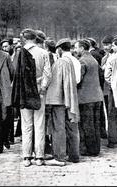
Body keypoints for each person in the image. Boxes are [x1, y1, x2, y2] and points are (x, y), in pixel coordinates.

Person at [18, 28, 51, 167]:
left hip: (24, 91)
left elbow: (16, 74)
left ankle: (26, 156)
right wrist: (43, 87)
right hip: (39, 91)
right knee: (39, 123)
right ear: (35, 38)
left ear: (24, 39)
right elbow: (48, 73)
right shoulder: (43, 53)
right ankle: (39, 156)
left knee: (26, 125)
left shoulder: (19, 53)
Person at [45, 38, 80, 166]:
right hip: (70, 98)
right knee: (72, 127)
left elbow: (54, 82)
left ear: (59, 49)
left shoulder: (60, 62)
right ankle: (74, 155)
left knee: (58, 128)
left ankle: (59, 156)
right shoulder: (71, 61)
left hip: (58, 100)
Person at [74, 39, 104, 156]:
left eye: (76, 48)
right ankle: (95, 148)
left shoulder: (82, 61)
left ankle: (88, 149)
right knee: (95, 124)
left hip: (85, 98)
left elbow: (78, 80)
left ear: (81, 48)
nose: (75, 50)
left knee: (87, 125)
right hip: (97, 96)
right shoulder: (93, 59)